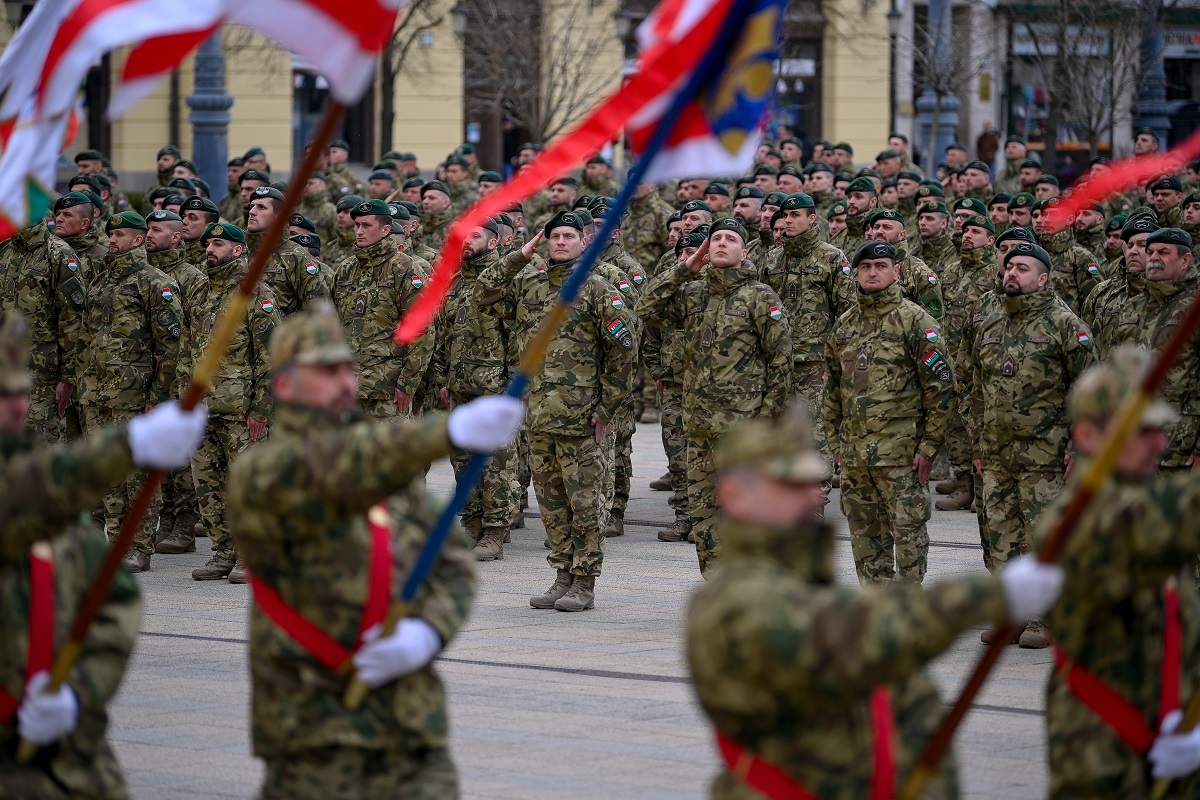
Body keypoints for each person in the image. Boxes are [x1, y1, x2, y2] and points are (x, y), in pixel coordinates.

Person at [687, 402, 1064, 800]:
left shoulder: (802, 579)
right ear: (734, 494)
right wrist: (988, 595)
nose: (807, 497)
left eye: (808, 483)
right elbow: (858, 635)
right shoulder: (730, 601)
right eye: (786, 486)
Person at [226, 305, 523, 800]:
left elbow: (452, 564)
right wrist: (445, 431)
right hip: (315, 731)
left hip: (410, 724)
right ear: (284, 386)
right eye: (325, 370)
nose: (344, 381)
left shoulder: (387, 463)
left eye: (347, 367)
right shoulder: (265, 470)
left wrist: (427, 632)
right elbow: (334, 467)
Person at [0, 308, 204, 800]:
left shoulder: (46, 498)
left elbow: (114, 599)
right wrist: (127, 445)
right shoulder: (34, 488)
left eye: (22, 394)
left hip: (68, 759)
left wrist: (78, 692)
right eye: (3, 396)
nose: (18, 409)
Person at [1040, 347, 1200, 798]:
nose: (1160, 444)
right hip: (1101, 751)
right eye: (1142, 431)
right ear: (1088, 435)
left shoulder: (1144, 501)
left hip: (1172, 736)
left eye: (1159, 430)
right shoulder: (1076, 522)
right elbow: (1165, 517)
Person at [475, 212, 636, 609]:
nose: (560, 242)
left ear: (584, 240)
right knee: (551, 503)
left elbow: (623, 352)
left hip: (582, 416)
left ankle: (585, 581)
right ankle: (562, 574)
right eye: (554, 236)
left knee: (585, 504)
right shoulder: (529, 281)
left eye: (569, 236)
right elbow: (482, 293)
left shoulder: (599, 287)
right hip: (539, 413)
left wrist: (606, 410)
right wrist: (519, 254)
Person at [958, 241, 1094, 647]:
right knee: (999, 537)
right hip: (998, 455)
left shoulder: (1067, 326)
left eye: (1022, 268)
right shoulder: (990, 323)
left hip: (1046, 456)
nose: (1011, 274)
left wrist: (1076, 449)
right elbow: (975, 385)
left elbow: (1089, 395)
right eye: (1009, 267)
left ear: (1043, 277)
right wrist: (978, 442)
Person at [638, 219, 792, 574]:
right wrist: (683, 269)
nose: (721, 244)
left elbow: (781, 362)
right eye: (716, 239)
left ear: (745, 251)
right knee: (704, 515)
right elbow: (646, 308)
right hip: (699, 425)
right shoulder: (693, 293)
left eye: (730, 239)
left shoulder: (760, 296)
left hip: (743, 427)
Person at [825, 241, 954, 584]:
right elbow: (832, 391)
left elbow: (940, 390)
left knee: (908, 535)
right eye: (865, 266)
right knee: (866, 540)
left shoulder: (917, 322)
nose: (872, 272)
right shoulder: (845, 325)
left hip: (901, 455)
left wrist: (929, 448)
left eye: (881, 266)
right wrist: (835, 444)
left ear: (896, 271)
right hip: (855, 456)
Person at [78, 212, 182, 572]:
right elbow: (87, 338)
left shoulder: (156, 284)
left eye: (120, 234)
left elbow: (170, 348)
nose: (112, 239)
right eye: (110, 233)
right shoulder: (100, 282)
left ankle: (138, 547)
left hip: (136, 396)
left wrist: (158, 397)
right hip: (98, 395)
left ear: (138, 240)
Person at [186, 223, 279, 581]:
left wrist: (261, 409)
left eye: (219, 243)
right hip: (203, 408)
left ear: (238, 250)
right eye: (208, 242)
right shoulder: (199, 291)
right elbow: (188, 350)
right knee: (208, 485)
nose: (210, 248)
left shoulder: (256, 294)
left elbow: (271, 357)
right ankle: (223, 552)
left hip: (241, 409)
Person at [329, 199, 433, 422]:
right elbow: (331, 326)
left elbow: (422, 330)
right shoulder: (346, 270)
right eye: (356, 225)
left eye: (366, 226)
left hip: (387, 388)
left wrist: (408, 383)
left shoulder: (404, 269)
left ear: (386, 229)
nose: (358, 231)